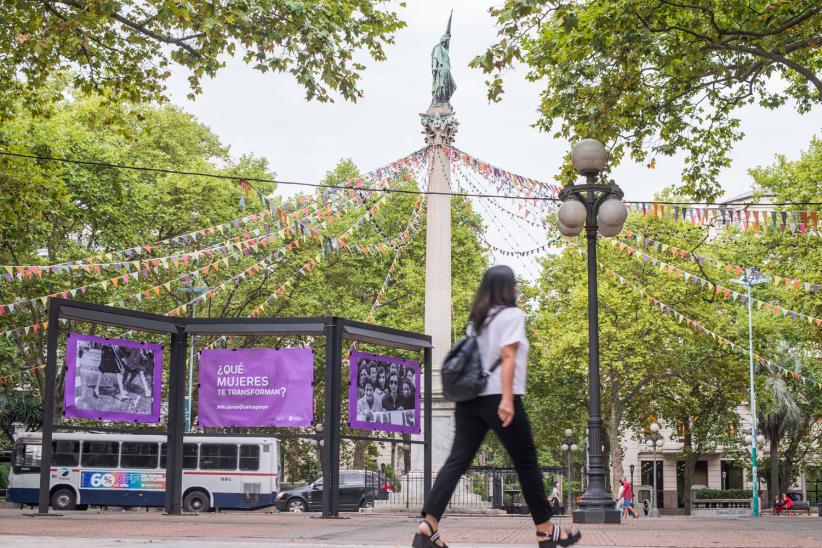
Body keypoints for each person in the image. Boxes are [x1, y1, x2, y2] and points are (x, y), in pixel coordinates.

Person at [413, 265, 580, 548]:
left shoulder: (477, 320)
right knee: (526, 462)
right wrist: (506, 398)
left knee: (457, 461)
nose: (516, 289)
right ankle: (545, 529)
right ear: (506, 287)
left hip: (469, 399)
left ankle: (429, 524)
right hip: (499, 398)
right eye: (514, 285)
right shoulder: (512, 315)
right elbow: (507, 355)